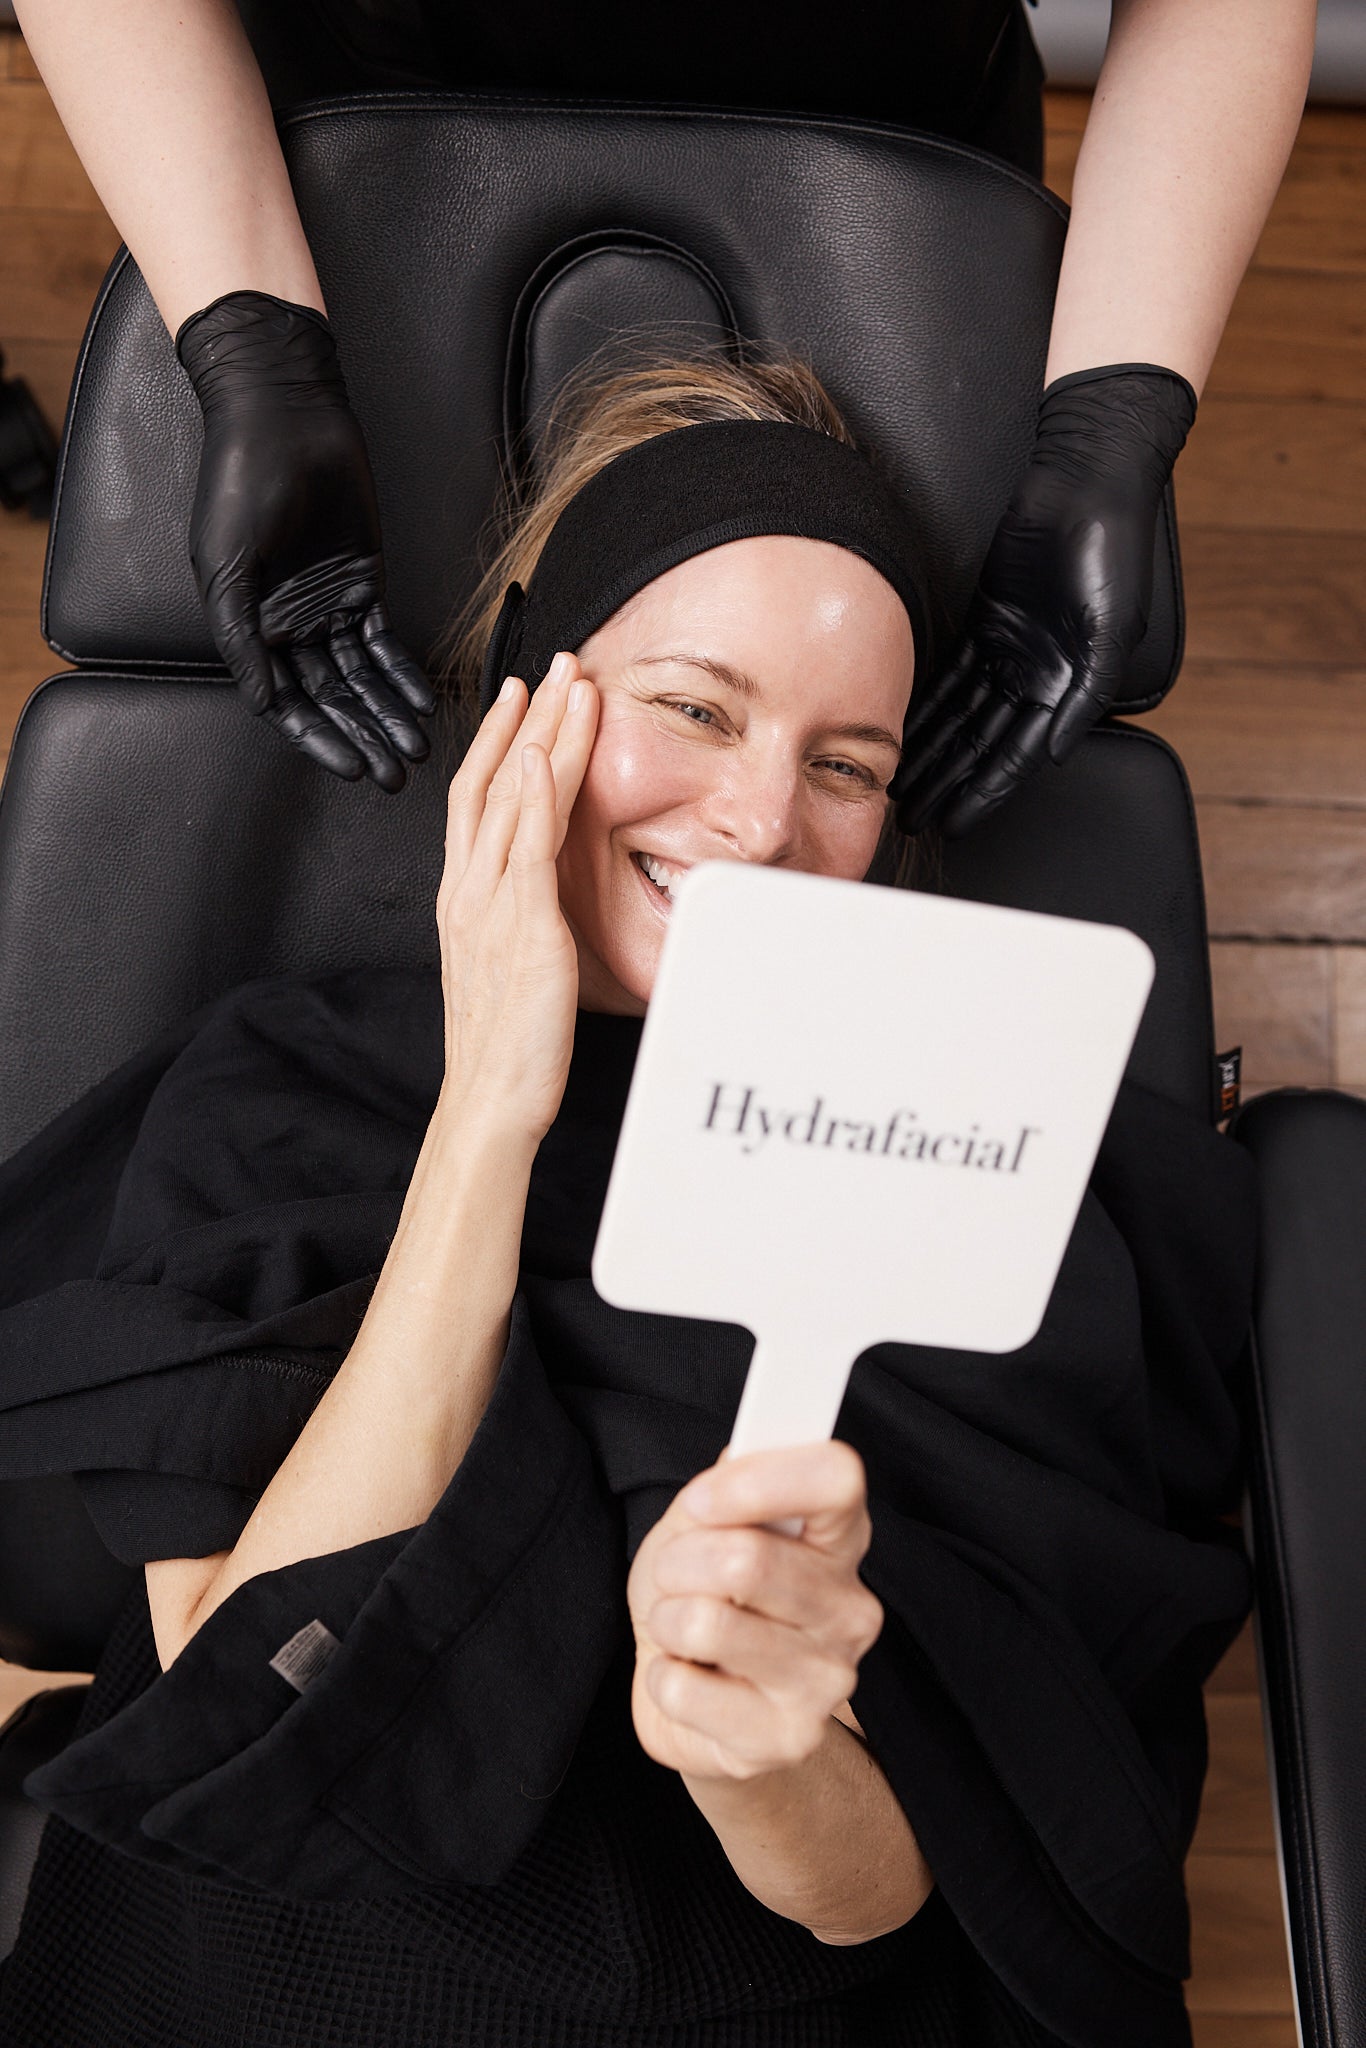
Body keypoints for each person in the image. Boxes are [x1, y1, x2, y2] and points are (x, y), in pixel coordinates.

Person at [0, 352, 1257, 2048]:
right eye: (696, 708)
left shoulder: (995, 1190)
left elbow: (899, 1896)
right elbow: (260, 1721)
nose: (758, 820)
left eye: (846, 764)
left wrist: (760, 1759)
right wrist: (491, 1110)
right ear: (535, 703)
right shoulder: (283, 1095)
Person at [12, 0, 1317, 826]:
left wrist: (1110, 426)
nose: (754, 834)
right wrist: (255, 351)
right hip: (376, 146)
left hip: (897, 174)